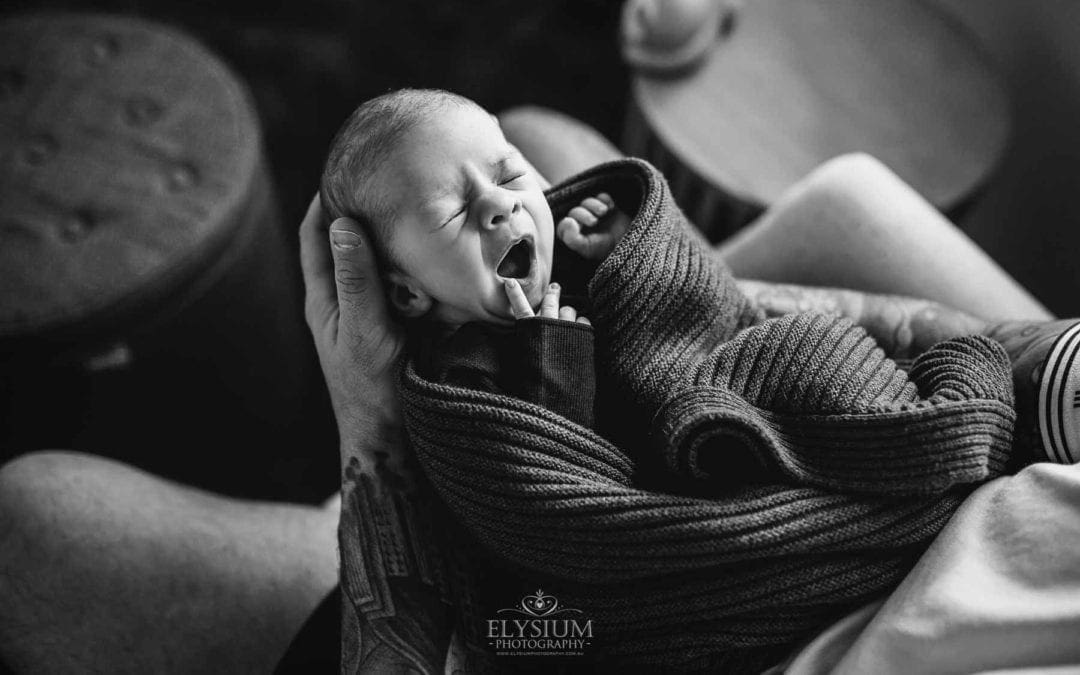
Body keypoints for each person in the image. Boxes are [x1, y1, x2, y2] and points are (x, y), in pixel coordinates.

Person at [0, 104, 1061, 672]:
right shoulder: (461, 391)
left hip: (740, 579)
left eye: (504, 180)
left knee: (32, 517)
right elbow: (544, 489)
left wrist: (365, 429)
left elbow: (673, 367)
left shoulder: (461, 364)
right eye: (467, 211)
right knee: (548, 130)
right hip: (602, 541)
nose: (514, 205)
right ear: (407, 302)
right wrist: (688, 308)